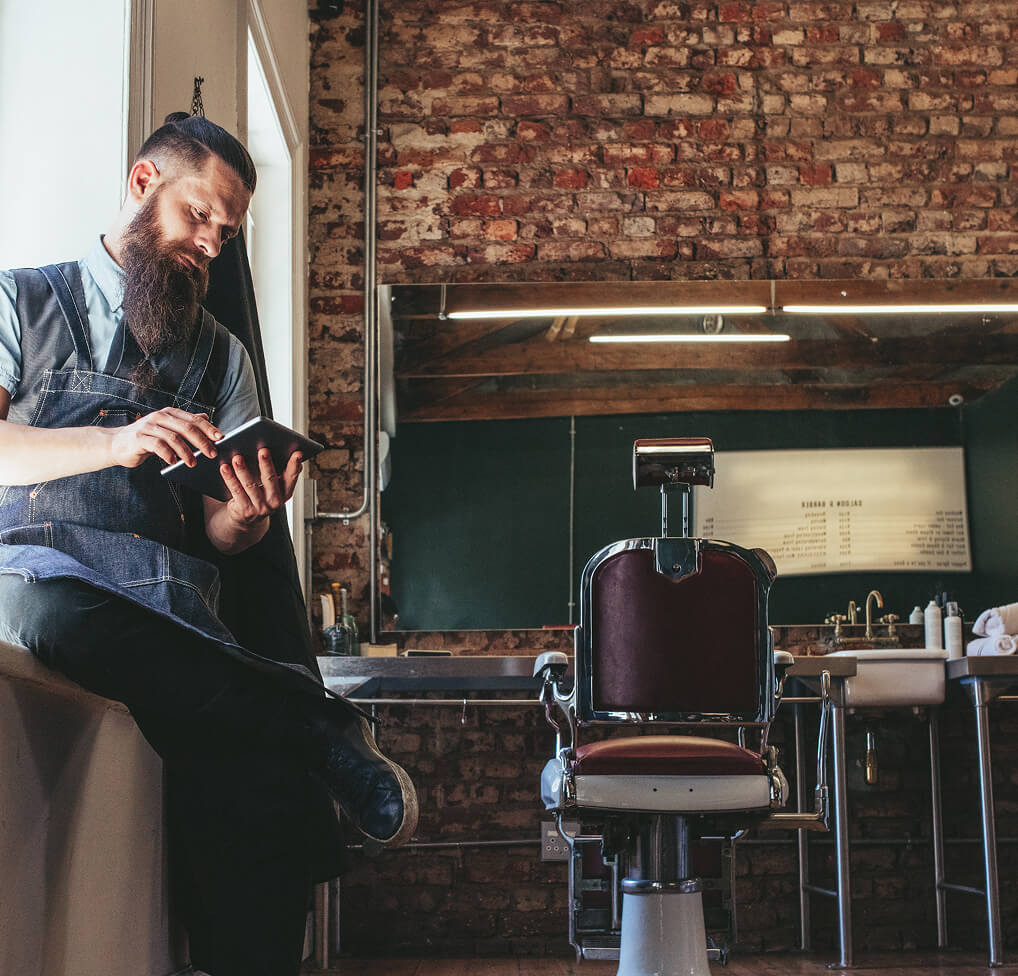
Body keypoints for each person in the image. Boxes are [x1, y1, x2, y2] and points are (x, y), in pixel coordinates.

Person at [0, 112, 417, 976]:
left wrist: (250, 516)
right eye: (200, 215)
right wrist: (115, 442)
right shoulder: (18, 299)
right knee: (55, 609)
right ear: (144, 185)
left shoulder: (220, 356)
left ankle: (294, 757)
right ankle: (319, 726)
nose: (210, 245)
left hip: (172, 612)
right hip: (41, 581)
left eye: (226, 232)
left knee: (258, 812)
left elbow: (223, 536)